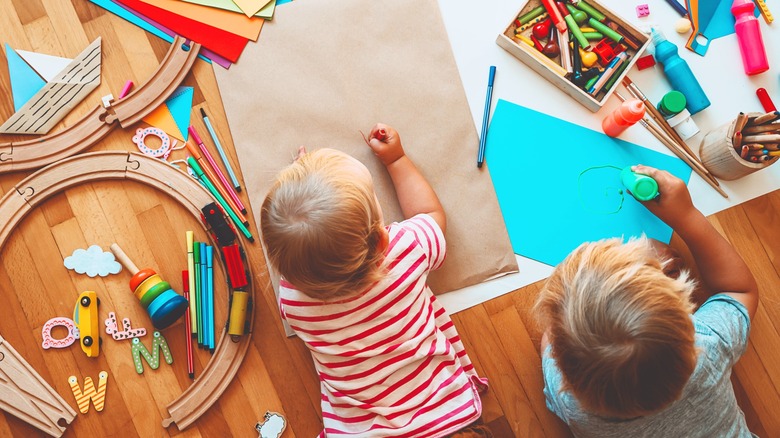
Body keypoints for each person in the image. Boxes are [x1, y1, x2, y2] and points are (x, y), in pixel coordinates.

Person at [260, 124, 489, 437]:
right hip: (442, 408)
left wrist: (303, 184)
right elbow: (430, 214)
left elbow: (297, 255)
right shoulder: (406, 250)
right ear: (381, 241)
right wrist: (396, 160)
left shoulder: (295, 304)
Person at [534, 165, 758, 437]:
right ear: (689, 329)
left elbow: (550, 342)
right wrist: (686, 216)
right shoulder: (708, 348)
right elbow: (739, 291)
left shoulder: (575, 408)